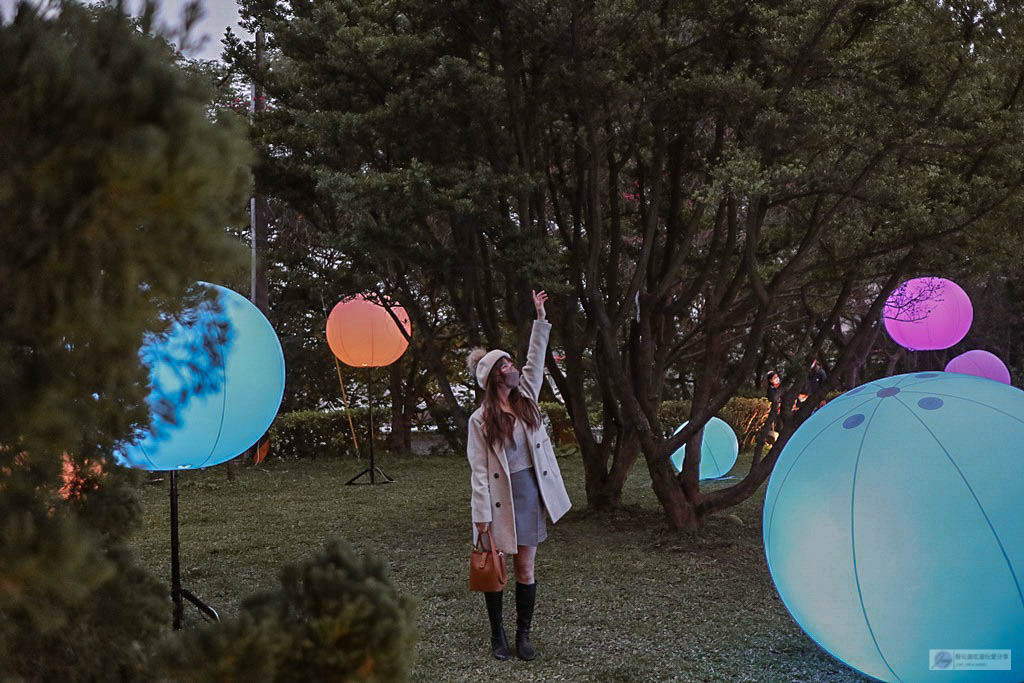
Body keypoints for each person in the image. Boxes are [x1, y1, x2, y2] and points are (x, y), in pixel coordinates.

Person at [465, 289, 572, 662]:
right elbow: (479, 471)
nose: (514, 368)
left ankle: (523, 635)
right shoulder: (479, 421)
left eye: (512, 363)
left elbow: (535, 359)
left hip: (530, 493)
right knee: (497, 567)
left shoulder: (526, 396)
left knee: (526, 566)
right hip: (497, 501)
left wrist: (540, 318)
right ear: (496, 376)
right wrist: (481, 520)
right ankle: (498, 635)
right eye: (506, 365)